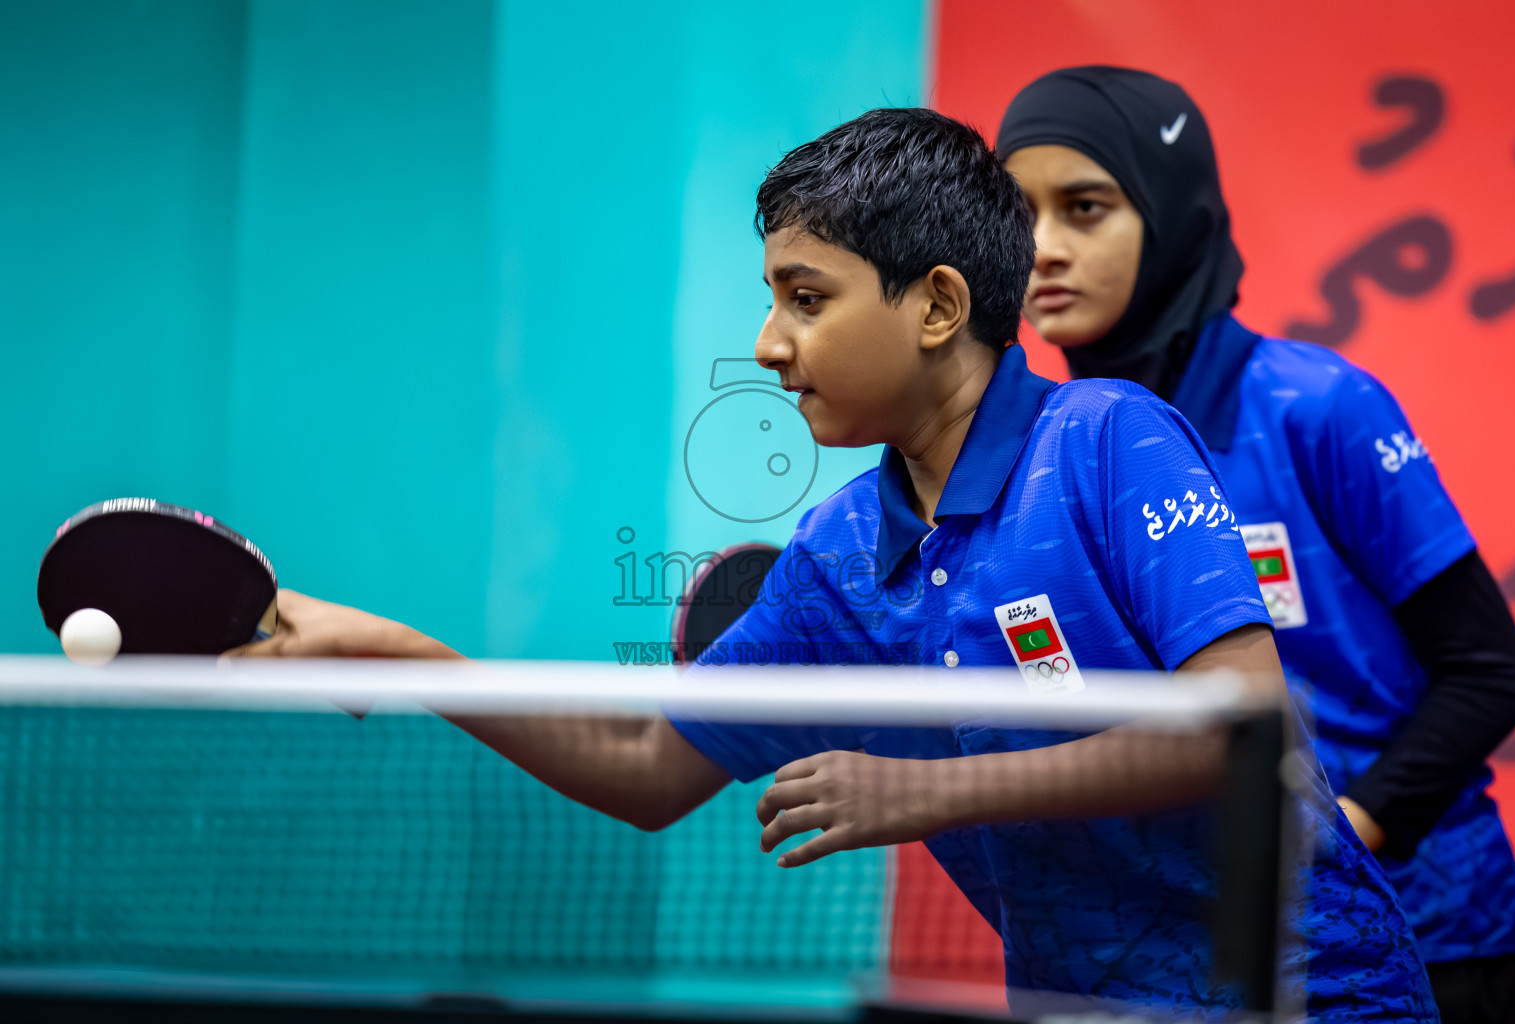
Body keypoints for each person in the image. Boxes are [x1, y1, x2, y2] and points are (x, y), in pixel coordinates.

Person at [231, 107, 1436, 1019]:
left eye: (806, 298)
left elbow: (1239, 718)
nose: (768, 344)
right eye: (774, 300)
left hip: (1311, 995)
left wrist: (922, 792)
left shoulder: (1107, 441)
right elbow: (650, 767)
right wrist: (406, 653)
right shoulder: (840, 556)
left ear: (936, 303)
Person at [996, 65, 1515, 1024]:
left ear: (1172, 214)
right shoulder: (1038, 459)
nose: (1042, 248)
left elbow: (1489, 673)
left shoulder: (1312, 406)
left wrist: (1332, 849)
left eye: (1086, 207)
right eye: (1017, 211)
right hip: (1206, 957)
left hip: (1425, 935)